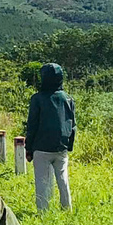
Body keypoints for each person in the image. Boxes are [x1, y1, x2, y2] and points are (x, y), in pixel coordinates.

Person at [22, 62, 76, 213]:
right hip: (61, 147)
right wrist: (68, 145)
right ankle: (67, 210)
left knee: (42, 182)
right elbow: (73, 125)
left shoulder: (37, 99)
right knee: (63, 181)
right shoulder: (68, 99)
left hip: (41, 148)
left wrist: (29, 148)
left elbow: (32, 124)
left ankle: (43, 213)